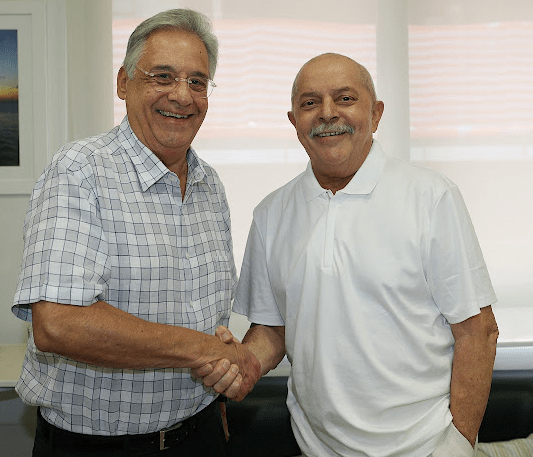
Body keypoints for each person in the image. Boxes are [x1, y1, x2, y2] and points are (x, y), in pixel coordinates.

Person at [197, 53, 499, 457]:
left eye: (345, 98)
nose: (327, 113)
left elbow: (478, 331)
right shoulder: (271, 213)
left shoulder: (431, 197)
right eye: (310, 103)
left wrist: (459, 445)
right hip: (316, 448)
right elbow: (274, 330)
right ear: (294, 122)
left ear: (375, 114)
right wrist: (235, 363)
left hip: (426, 447)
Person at [11, 9, 259, 457]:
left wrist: (218, 383)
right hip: (98, 448)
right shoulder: (80, 171)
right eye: (163, 76)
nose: (182, 95)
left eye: (198, 81)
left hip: (200, 434)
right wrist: (202, 349)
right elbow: (59, 324)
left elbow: (207, 315)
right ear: (124, 83)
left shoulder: (210, 185)